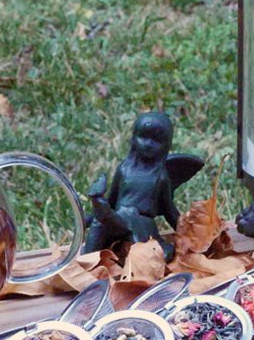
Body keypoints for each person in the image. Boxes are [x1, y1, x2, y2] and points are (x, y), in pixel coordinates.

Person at [84, 111, 201, 262]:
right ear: (133, 137)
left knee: (149, 258)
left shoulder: (160, 176)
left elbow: (168, 209)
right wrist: (91, 217)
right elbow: (112, 199)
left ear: (166, 145)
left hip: (141, 223)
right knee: (99, 222)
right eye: (143, 137)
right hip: (118, 218)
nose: (148, 144)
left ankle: (98, 203)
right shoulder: (124, 169)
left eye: (156, 141)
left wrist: (186, 231)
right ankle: (88, 260)